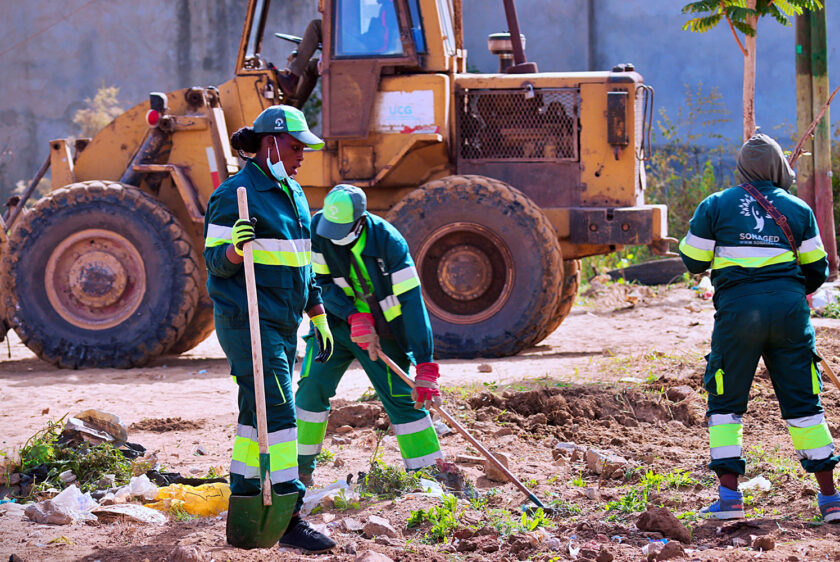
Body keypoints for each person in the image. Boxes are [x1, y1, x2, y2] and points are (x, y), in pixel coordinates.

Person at [679, 133, 839, 523]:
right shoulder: (798, 208)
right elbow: (818, 269)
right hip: (788, 314)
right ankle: (831, 500)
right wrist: (786, 292)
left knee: (725, 403)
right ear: (779, 168)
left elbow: (693, 259)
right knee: (804, 404)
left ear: (742, 168)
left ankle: (729, 499)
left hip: (737, 316)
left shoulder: (716, 204)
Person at [203, 104, 337, 552]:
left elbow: (302, 262)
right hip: (248, 322)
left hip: (283, 322)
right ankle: (289, 517)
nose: (302, 156)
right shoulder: (234, 195)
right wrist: (234, 251)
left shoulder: (293, 193)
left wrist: (317, 312)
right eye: (296, 148)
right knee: (279, 413)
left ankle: (245, 495)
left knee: (255, 414)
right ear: (270, 144)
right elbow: (214, 263)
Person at [294, 184, 444, 486]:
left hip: (384, 331)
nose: (334, 235)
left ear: (360, 221)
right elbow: (319, 283)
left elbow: (412, 303)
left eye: (341, 230)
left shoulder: (389, 243)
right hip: (334, 324)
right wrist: (352, 315)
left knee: (402, 398)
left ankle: (428, 476)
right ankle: (296, 471)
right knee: (311, 388)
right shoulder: (320, 229)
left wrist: (425, 364)